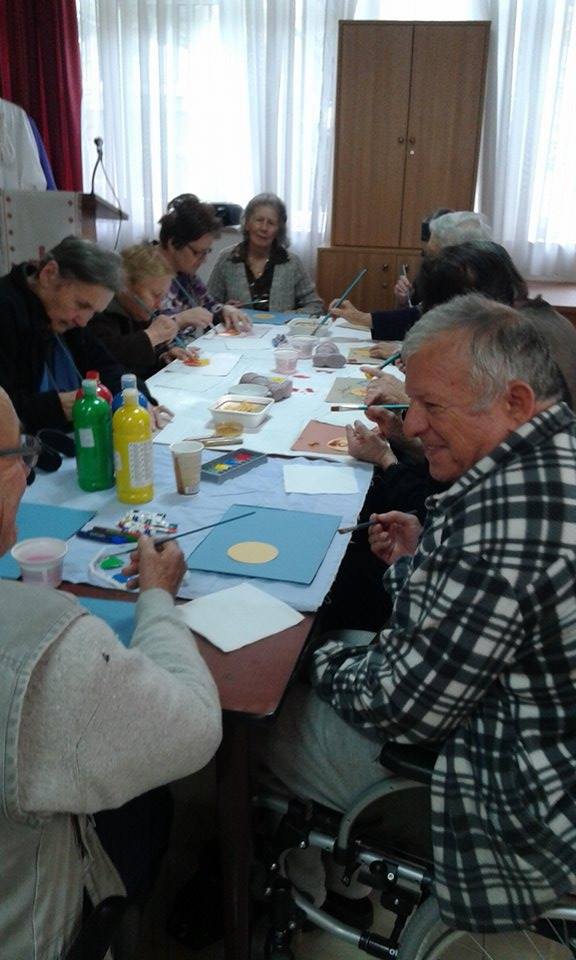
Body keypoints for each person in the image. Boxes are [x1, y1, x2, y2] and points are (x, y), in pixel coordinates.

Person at [260, 294, 576, 934]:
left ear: (515, 401)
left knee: (260, 723)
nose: (415, 425)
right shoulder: (552, 455)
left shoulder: (499, 527)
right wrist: (422, 556)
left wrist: (313, 657)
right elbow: (488, 608)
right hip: (538, 723)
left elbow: (401, 707)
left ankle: (298, 887)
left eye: (432, 406)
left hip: (516, 790)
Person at [0, 385, 222, 957]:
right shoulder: (44, 645)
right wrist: (158, 598)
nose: (28, 474)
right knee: (149, 805)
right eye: (21, 455)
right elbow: (197, 727)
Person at [0, 235, 169, 434]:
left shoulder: (66, 316)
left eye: (94, 312)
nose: (83, 322)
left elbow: (107, 366)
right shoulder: (6, 311)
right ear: (48, 274)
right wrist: (57, 407)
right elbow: (6, 408)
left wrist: (137, 399)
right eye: (81, 305)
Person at [329, 210, 492, 339]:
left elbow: (430, 321)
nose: (429, 263)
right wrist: (403, 301)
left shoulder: (479, 282)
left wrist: (361, 318)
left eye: (433, 255)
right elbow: (419, 312)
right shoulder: (461, 270)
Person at [89, 242, 196, 380]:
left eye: (162, 297)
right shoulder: (98, 314)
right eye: (155, 295)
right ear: (125, 287)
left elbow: (141, 361)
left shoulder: (137, 313)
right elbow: (106, 357)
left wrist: (163, 356)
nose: (159, 305)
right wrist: (152, 336)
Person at [207, 192, 323, 314]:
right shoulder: (227, 258)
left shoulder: (291, 262)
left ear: (279, 230)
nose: (264, 228)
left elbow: (315, 306)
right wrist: (224, 309)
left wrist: (291, 316)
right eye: (259, 220)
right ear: (247, 224)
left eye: (271, 223)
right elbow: (207, 304)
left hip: (281, 327)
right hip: (239, 326)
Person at [158, 193, 251, 335]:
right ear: (172, 243)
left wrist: (225, 310)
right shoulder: (146, 275)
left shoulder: (185, 273)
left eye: (206, 252)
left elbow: (208, 305)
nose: (204, 259)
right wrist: (180, 320)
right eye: (197, 252)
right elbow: (148, 336)